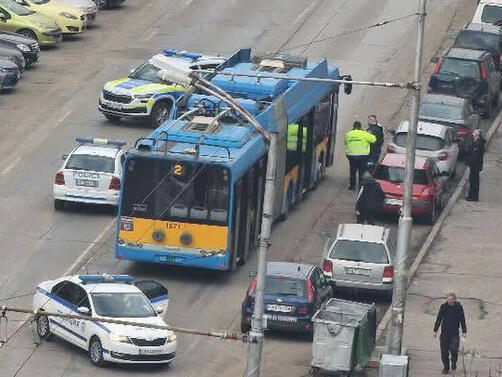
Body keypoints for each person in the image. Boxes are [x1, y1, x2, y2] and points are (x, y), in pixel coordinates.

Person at [433, 292, 467, 374]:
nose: (450, 301)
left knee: (454, 349)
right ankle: (446, 367)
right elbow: (439, 319)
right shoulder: (443, 307)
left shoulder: (458, 307)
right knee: (444, 352)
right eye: (448, 299)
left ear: (454, 299)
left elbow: (462, 319)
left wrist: (464, 331)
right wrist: (435, 331)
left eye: (451, 299)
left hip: (454, 333)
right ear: (446, 299)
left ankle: (454, 362)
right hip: (444, 333)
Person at [344, 121, 376, 190]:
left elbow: (345, 142)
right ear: (360, 127)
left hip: (351, 156)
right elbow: (374, 140)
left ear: (353, 126)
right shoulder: (365, 134)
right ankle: (360, 187)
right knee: (361, 171)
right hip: (363, 156)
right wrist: (370, 134)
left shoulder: (349, 134)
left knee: (352, 171)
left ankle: (352, 186)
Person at [465, 129, 485, 201]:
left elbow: (475, 155)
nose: (472, 133)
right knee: (472, 180)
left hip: (475, 165)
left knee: (474, 181)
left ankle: (473, 197)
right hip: (474, 165)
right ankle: (471, 196)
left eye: (474, 132)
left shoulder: (478, 143)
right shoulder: (476, 142)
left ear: (477, 134)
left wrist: (470, 161)